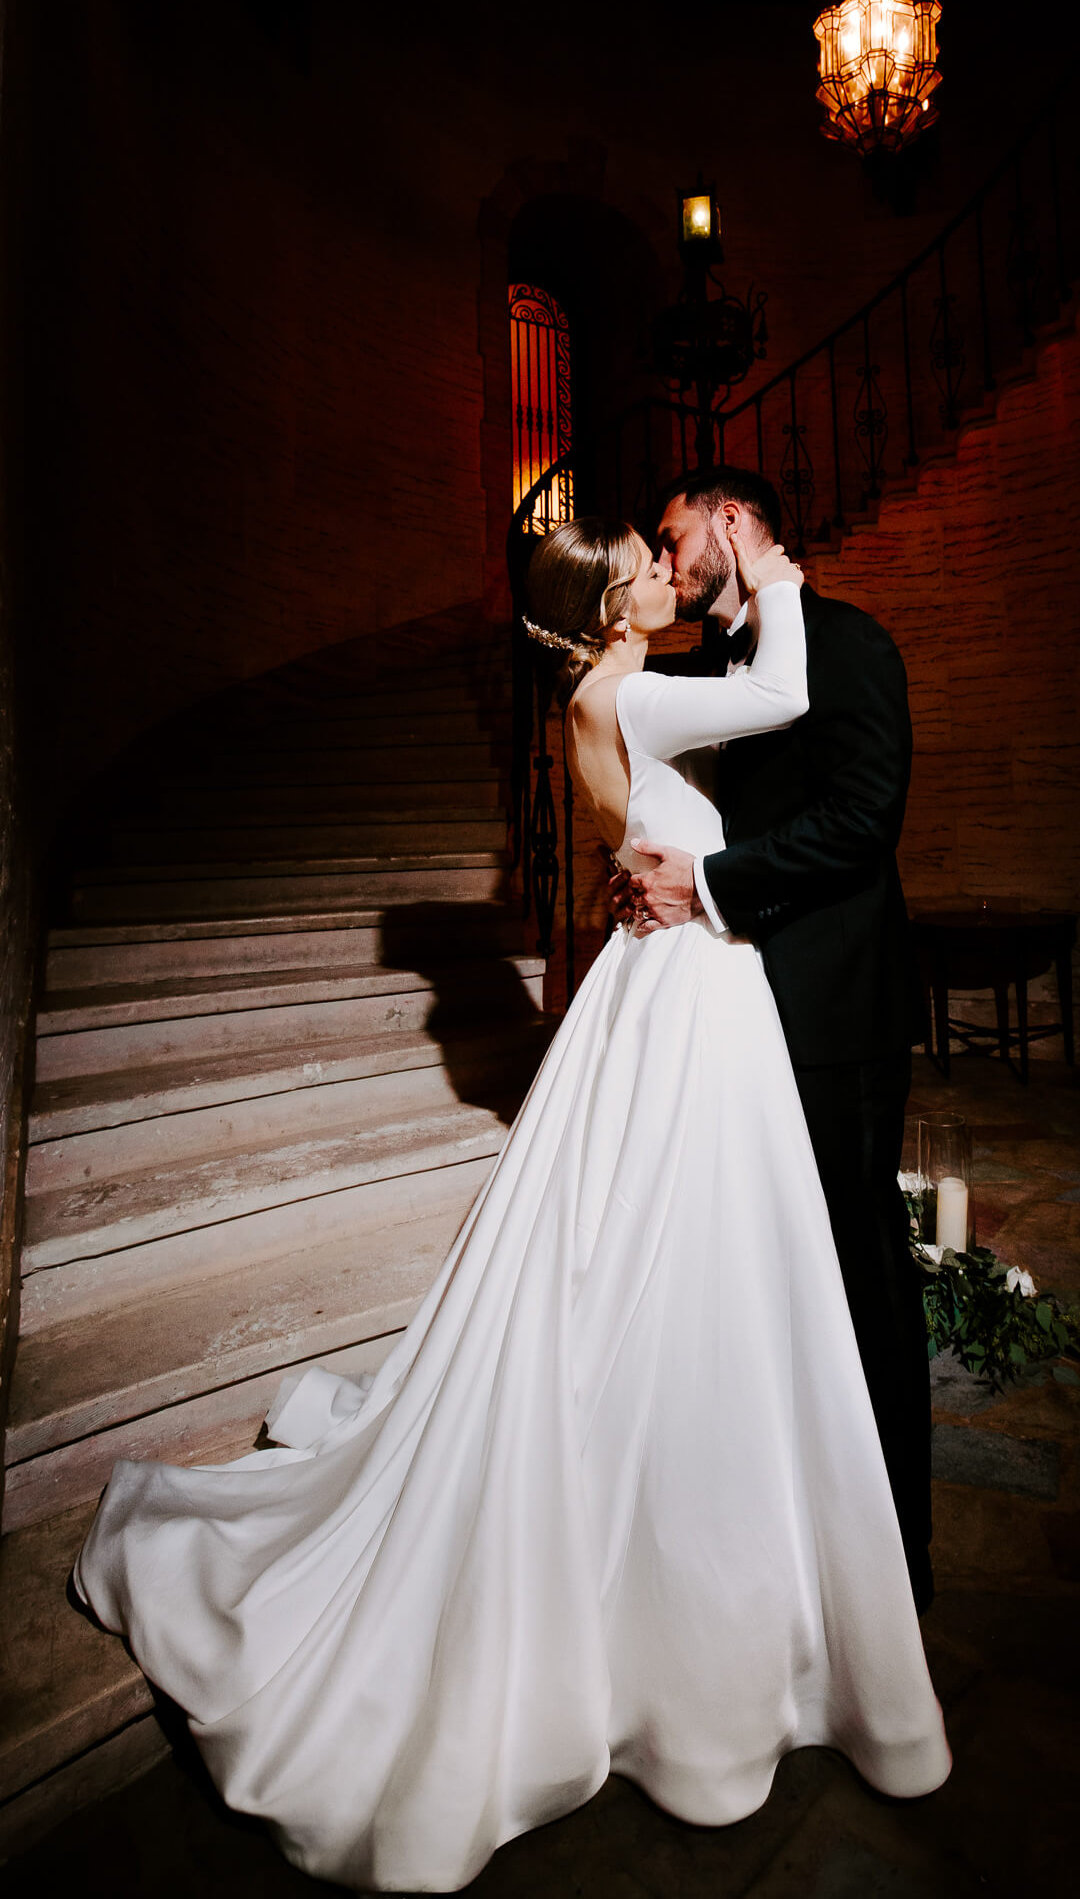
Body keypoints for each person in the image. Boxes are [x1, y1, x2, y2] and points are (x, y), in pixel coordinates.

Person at [73, 514, 949, 1895]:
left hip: (681, 982)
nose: (670, 574)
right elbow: (779, 696)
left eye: (670, 558)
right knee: (672, 1260)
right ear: (606, 602)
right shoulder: (632, 686)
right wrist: (775, 578)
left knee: (679, 1260)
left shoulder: (608, 694)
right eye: (645, 566)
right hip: (687, 996)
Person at [627, 466, 934, 1610]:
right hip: (733, 1024)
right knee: (762, 1279)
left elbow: (862, 821)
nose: (669, 560)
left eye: (676, 536)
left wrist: (705, 881)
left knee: (856, 1264)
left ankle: (896, 1558)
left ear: (734, 522)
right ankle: (779, 1536)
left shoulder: (848, 643)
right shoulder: (709, 667)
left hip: (833, 1013)